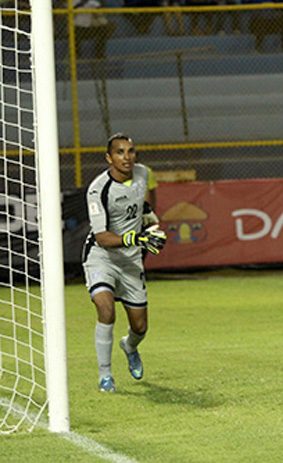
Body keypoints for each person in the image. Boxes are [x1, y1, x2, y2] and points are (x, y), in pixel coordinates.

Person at [82, 133, 167, 392]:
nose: (126, 157)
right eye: (120, 152)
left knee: (140, 327)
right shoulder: (98, 189)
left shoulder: (142, 173)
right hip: (102, 257)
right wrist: (135, 237)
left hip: (130, 261)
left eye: (131, 151)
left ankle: (129, 346)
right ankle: (105, 376)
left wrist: (149, 217)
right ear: (109, 158)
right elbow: (102, 237)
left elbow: (138, 202)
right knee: (106, 309)